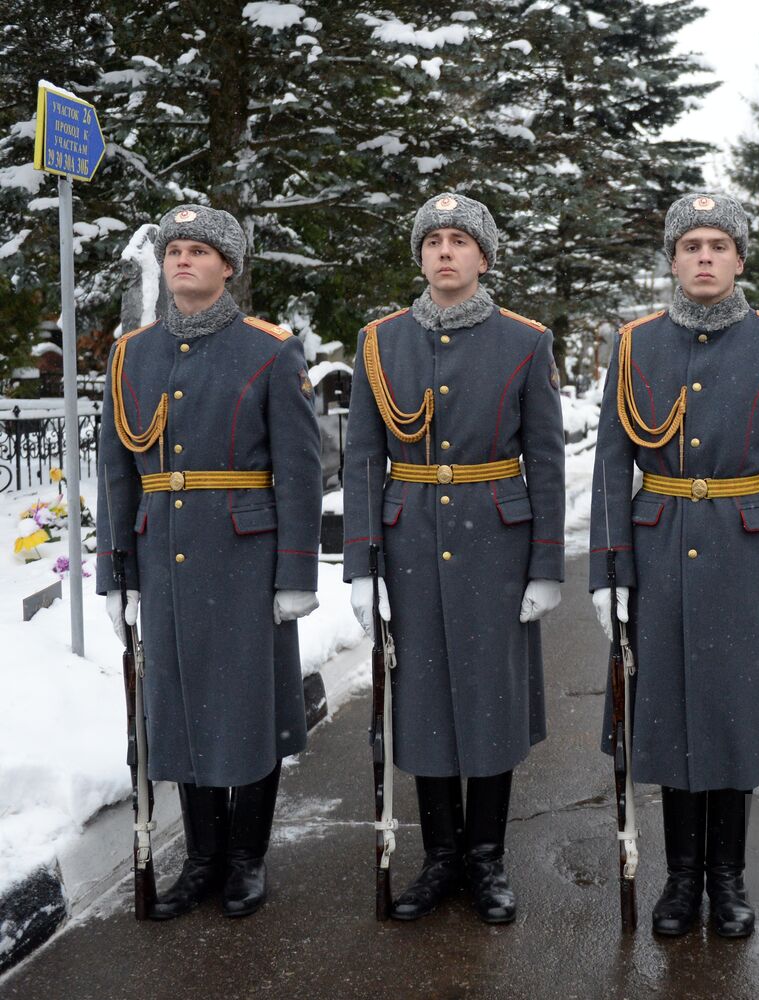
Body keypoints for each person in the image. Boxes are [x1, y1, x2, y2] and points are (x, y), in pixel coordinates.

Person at [588, 192, 759, 938]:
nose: (705, 258)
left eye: (719, 245)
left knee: (733, 719)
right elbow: (611, 464)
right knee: (666, 715)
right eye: (691, 246)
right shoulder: (636, 345)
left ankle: (728, 876)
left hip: (744, 552)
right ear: (673, 260)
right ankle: (681, 876)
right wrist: (609, 571)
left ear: (740, 259)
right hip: (658, 547)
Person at [342, 192, 565, 924]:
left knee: (492, 698)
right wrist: (361, 564)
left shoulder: (525, 341)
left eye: (459, 240)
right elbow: (363, 459)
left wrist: (545, 565)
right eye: (433, 240)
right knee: (424, 700)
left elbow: (546, 459)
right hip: (408, 537)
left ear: (484, 258)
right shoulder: (380, 342)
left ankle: (486, 857)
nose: (445, 250)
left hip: (496, 541)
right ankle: (440, 856)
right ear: (420, 256)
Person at [97, 204, 322, 919]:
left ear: (228, 266)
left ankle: (246, 857)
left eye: (198, 251)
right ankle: (201, 858)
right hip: (163, 558)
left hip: (246, 557)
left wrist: (296, 574)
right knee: (181, 710)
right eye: (173, 251)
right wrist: (116, 574)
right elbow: (115, 473)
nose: (183, 261)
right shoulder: (132, 354)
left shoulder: (269, 350)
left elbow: (300, 470)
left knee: (250, 709)